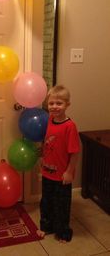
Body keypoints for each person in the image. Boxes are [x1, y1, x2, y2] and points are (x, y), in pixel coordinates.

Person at [37, 85, 81, 243]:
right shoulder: (49, 120)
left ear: (67, 104)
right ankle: (46, 226)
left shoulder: (70, 126)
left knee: (61, 205)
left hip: (62, 175)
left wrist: (69, 172)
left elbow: (75, 152)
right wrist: (42, 158)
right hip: (48, 172)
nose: (54, 107)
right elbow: (47, 143)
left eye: (59, 103)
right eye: (51, 103)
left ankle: (63, 232)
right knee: (46, 201)